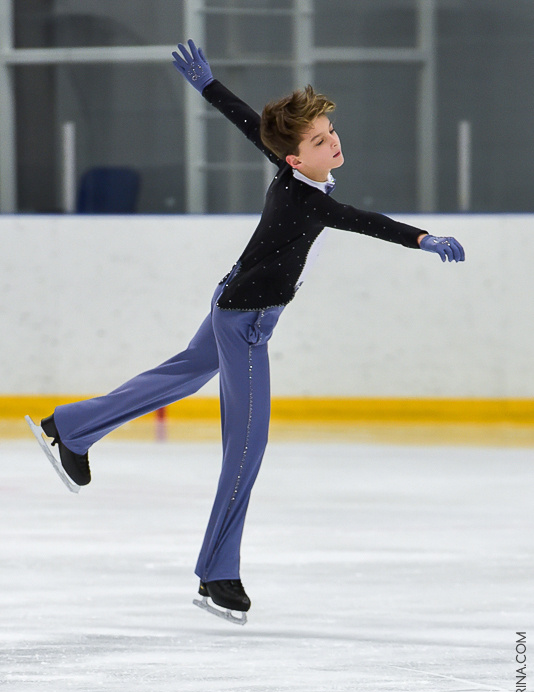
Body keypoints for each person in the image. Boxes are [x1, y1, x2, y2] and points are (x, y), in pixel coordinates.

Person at [34, 40, 465, 623]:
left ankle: (72, 428)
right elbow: (365, 222)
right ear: (295, 159)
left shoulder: (297, 175)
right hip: (246, 324)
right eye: (318, 141)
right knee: (246, 445)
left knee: (183, 376)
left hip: (230, 301)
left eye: (330, 130)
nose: (332, 141)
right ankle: (217, 574)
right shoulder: (306, 202)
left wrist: (210, 86)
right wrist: (421, 238)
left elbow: (249, 126)